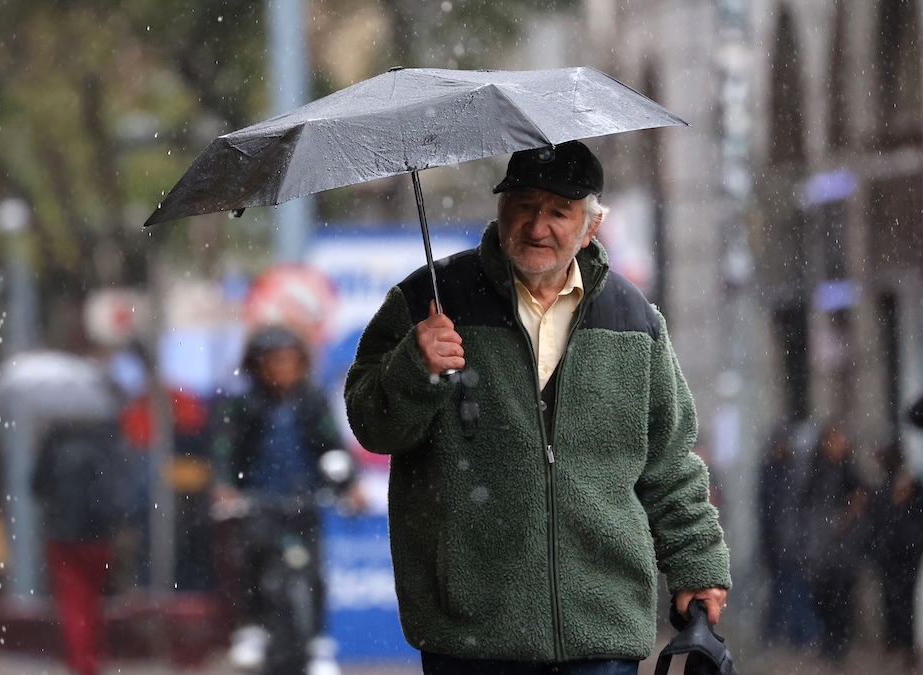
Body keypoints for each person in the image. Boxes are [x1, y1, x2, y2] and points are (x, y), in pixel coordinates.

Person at [344, 141, 731, 674]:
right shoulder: (427, 301)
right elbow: (371, 425)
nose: (537, 226)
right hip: (473, 634)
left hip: (602, 630)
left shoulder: (634, 320)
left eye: (558, 212)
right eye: (523, 205)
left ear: (591, 227)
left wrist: (697, 566)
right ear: (501, 208)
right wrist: (416, 366)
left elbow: (669, 464)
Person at [213, 324, 361, 675]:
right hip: (259, 500)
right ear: (257, 366)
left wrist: (349, 486)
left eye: (290, 361)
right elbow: (225, 450)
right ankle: (251, 627)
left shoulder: (312, 401)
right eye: (275, 361)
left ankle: (318, 643)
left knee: (313, 573)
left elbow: (333, 447)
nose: (283, 369)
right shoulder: (242, 404)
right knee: (251, 560)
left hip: (304, 500)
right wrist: (226, 487)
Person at [31, 419, 134, 675]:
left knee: (72, 601)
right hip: (97, 535)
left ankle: (81, 661)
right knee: (93, 600)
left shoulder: (55, 442)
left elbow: (36, 486)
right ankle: (91, 658)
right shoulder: (104, 441)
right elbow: (119, 490)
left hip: (63, 535)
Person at [798, 421, 867, 663]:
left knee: (841, 596)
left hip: (843, 548)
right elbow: (804, 503)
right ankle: (829, 639)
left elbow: (862, 495)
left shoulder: (849, 470)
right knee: (822, 595)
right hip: (819, 546)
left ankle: (838, 643)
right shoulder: (815, 470)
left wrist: (846, 517)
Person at [756, 422, 820, 649]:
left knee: (790, 589)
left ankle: (792, 635)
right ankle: (791, 635)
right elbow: (770, 512)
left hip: (791, 542)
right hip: (782, 542)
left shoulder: (790, 472)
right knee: (786, 589)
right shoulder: (775, 472)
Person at [867, 434, 923, 668]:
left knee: (903, 598)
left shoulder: (910, 486)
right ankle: (896, 640)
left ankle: (904, 644)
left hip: (905, 549)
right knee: (892, 597)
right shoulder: (885, 488)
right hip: (891, 550)